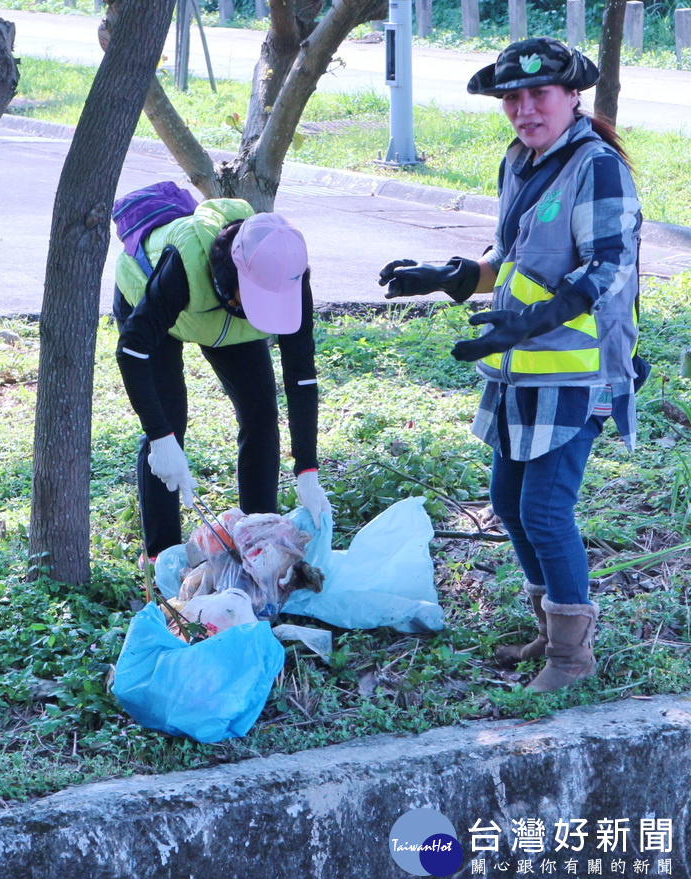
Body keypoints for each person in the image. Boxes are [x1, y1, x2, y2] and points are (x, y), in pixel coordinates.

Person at [378, 38, 645, 692]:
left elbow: (608, 268)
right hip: (521, 364)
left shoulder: (596, 166)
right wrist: (455, 275)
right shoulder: (521, 161)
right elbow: (514, 257)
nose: (525, 109)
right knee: (506, 499)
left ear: (572, 95)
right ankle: (549, 625)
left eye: (539, 95)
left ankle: (572, 658)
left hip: (577, 371)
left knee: (547, 510)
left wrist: (539, 317)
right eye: (512, 98)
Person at [114, 197, 330, 561]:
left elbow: (301, 376)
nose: (267, 305)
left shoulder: (289, 274)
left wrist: (307, 469)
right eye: (258, 297)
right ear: (236, 274)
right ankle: (162, 558)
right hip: (152, 306)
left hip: (225, 322)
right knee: (168, 425)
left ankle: (259, 540)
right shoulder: (184, 265)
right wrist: (160, 438)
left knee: (261, 416)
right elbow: (132, 351)